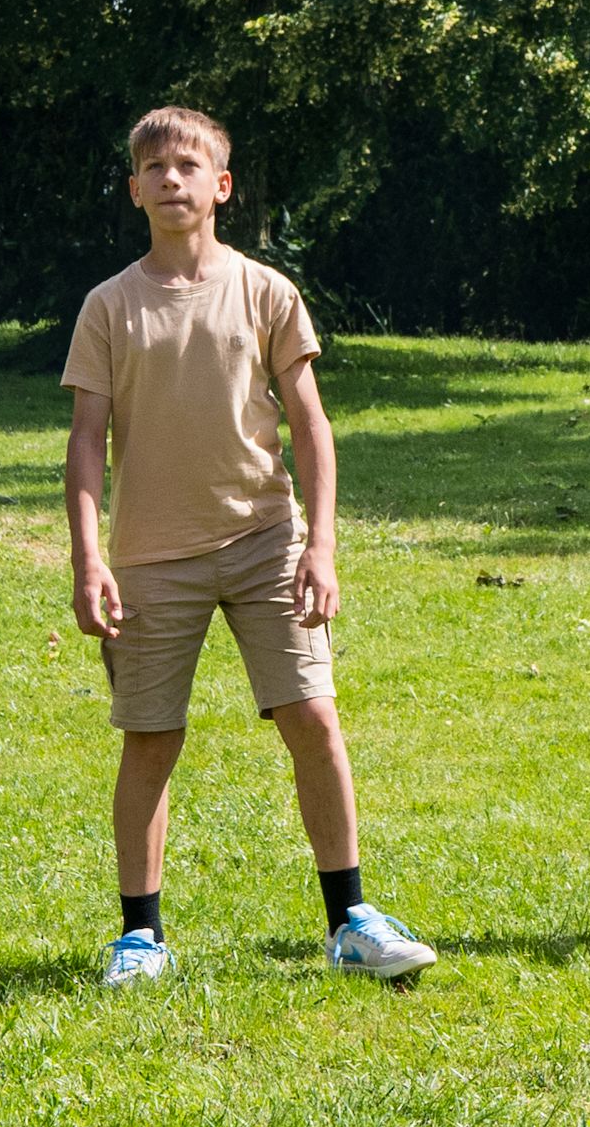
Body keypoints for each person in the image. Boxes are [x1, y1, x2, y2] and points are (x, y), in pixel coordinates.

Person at [64, 107, 438, 989]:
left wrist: (323, 546)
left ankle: (350, 918)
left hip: (269, 540)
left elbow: (311, 425)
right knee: (149, 740)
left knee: (313, 717)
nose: (170, 178)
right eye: (152, 166)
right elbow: (86, 440)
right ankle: (140, 939)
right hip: (151, 556)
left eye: (188, 164)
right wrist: (89, 557)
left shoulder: (266, 290)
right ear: (133, 190)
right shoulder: (109, 306)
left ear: (221, 185)